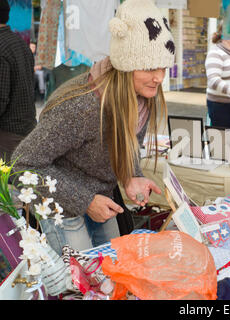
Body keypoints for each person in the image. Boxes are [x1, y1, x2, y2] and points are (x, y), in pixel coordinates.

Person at [12, 0, 175, 255]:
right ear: (127, 64)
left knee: (110, 274)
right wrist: (85, 200)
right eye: (150, 68)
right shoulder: (82, 106)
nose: (159, 77)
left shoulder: (143, 97)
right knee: (80, 283)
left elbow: (127, 142)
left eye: (163, 67)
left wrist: (131, 175)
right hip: (61, 206)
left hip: (100, 197)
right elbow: (22, 165)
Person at [0, 0, 36, 163]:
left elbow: (1, 98)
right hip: (26, 129)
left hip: (7, 136)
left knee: (7, 186)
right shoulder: (20, 43)